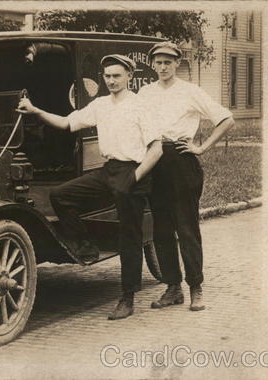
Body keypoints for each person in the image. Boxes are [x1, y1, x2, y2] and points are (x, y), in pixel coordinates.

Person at [16, 54, 162, 320]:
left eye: (117, 76)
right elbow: (66, 123)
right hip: (109, 170)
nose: (112, 81)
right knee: (61, 195)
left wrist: (135, 178)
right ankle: (85, 246)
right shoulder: (101, 105)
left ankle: (127, 298)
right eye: (107, 76)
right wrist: (36, 110)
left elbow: (156, 150)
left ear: (129, 76)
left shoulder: (141, 106)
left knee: (129, 237)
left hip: (134, 172)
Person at [139, 41, 235, 312]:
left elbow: (226, 119)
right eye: (158, 62)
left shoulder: (190, 91)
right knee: (161, 229)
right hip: (154, 160)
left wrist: (201, 147)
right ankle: (172, 288)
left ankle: (196, 287)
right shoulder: (145, 92)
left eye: (168, 61)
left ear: (177, 63)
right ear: (152, 64)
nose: (163, 66)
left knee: (187, 228)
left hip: (181, 162)